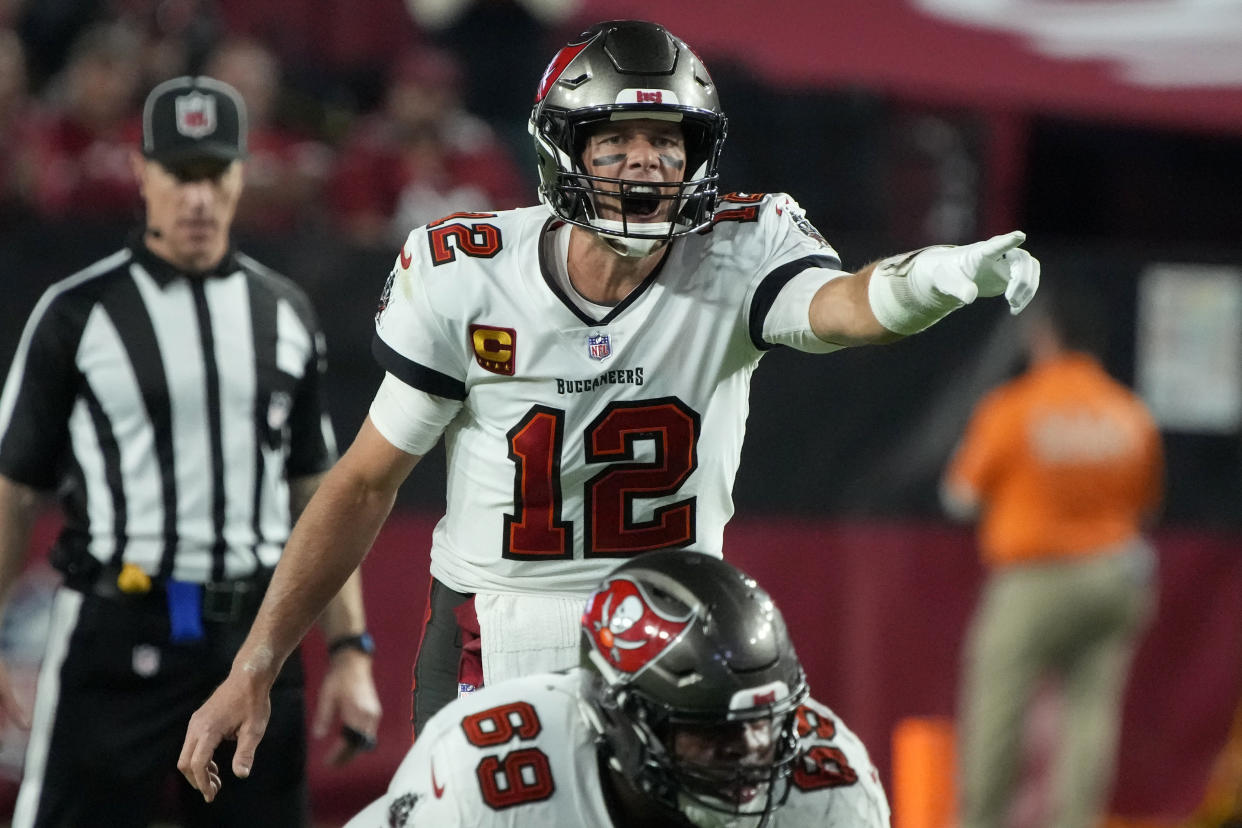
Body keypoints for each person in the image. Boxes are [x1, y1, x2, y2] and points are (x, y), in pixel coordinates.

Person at [179, 19, 1040, 800]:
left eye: (667, 143)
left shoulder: (739, 249)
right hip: (493, 622)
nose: (643, 165)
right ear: (563, 151)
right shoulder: (468, 274)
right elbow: (366, 482)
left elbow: (842, 307)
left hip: (678, 629)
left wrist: (934, 278)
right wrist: (259, 661)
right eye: (615, 140)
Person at [0, 75, 381, 827]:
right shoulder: (78, 313)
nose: (199, 199)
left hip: (256, 637)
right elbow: (13, 489)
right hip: (116, 628)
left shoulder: (286, 313)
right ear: (143, 172)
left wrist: (349, 648)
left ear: (243, 174)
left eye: (216, 174)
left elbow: (318, 492)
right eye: (181, 174)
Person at [345, 549, 891, 827]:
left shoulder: (827, 789)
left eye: (764, 725)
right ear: (620, 719)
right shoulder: (489, 785)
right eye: (709, 731)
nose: (751, 755)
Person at [940, 283, 1163, 828]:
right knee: (1089, 714)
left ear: (1044, 336)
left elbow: (960, 497)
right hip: (1115, 577)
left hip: (1035, 581)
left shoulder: (1014, 409)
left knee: (997, 711)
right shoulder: (1130, 414)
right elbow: (1146, 507)